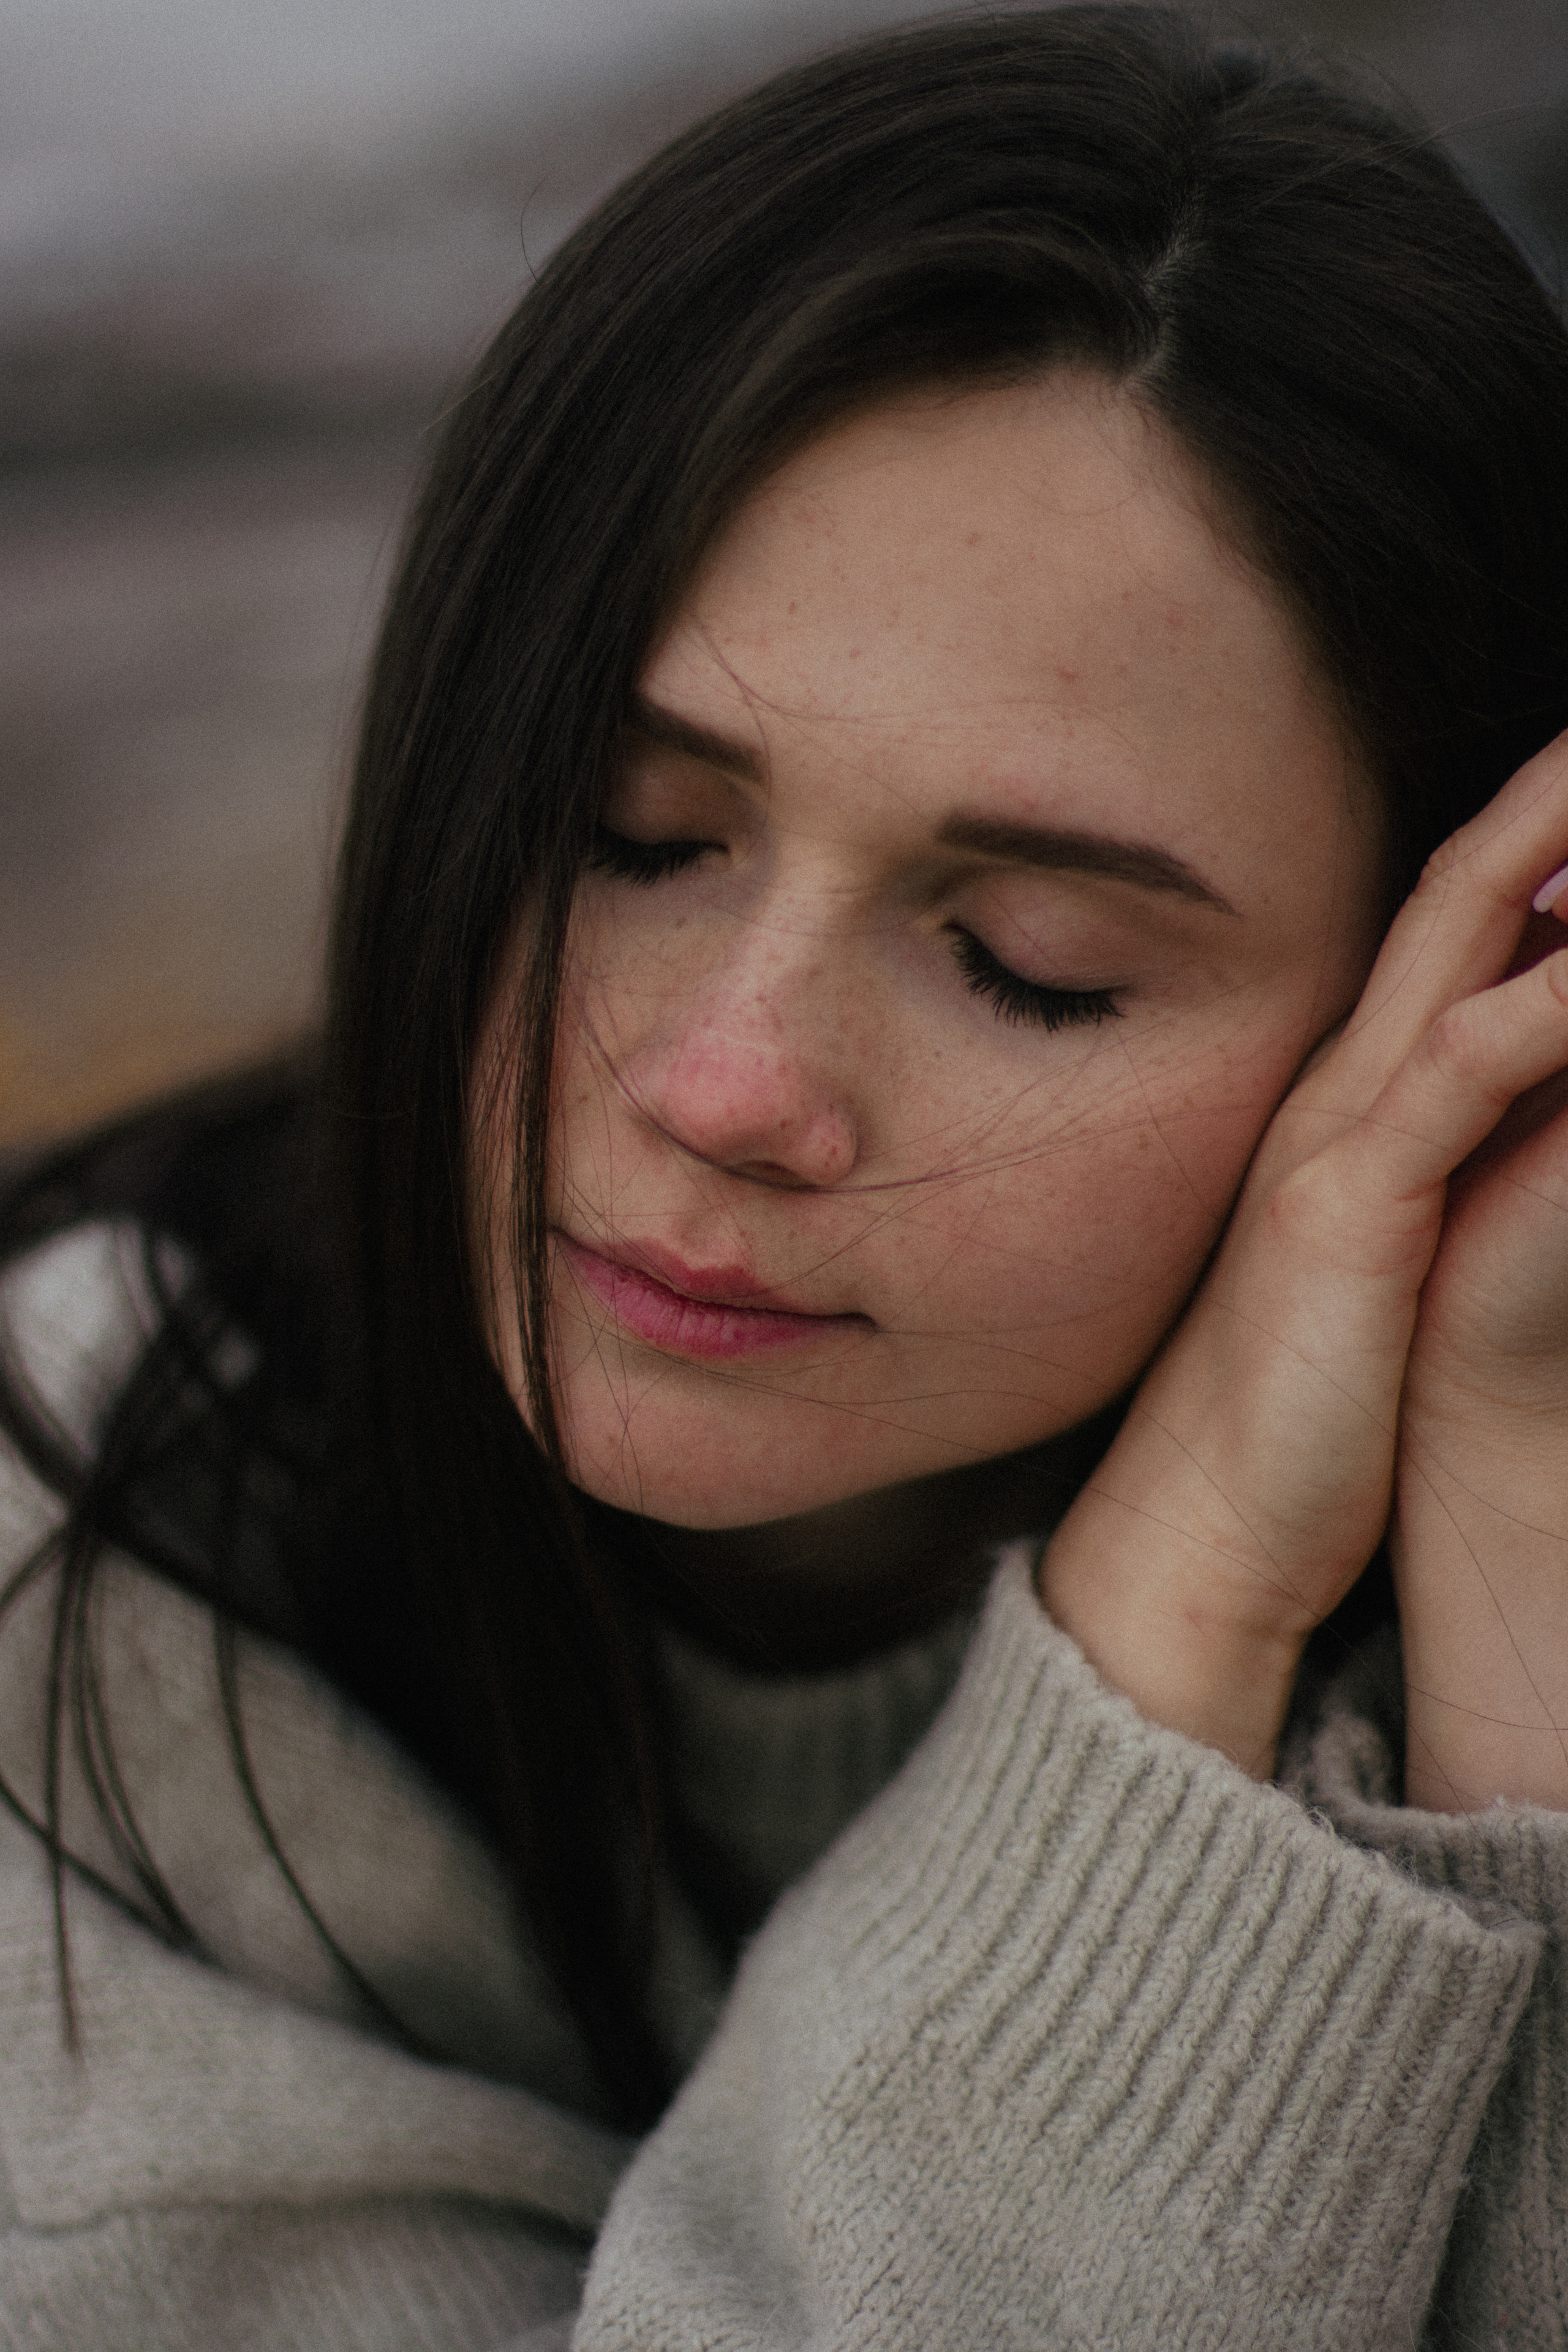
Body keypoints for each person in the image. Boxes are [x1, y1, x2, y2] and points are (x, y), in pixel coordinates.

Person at [2, 6, 1567, 2343]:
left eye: (1028, 964)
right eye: (633, 834)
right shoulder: (80, 1579)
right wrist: (1183, 1612)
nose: (728, 1086)